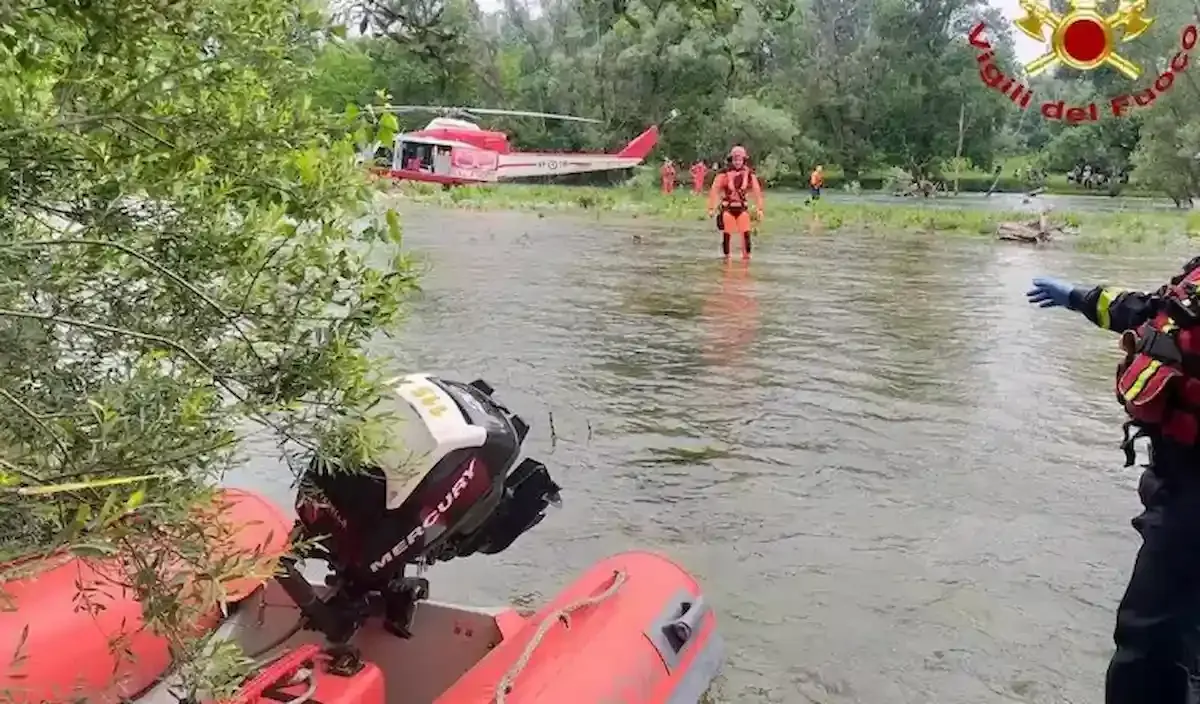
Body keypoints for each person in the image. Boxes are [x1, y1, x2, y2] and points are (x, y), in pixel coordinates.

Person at [1027, 260, 1200, 704]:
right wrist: (1079, 297)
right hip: (1174, 478)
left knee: (1149, 640)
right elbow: (1157, 313)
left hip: (1190, 502)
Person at [707, 146, 764, 260]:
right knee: (727, 234)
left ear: (744, 160)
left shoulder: (749, 174)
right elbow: (714, 190)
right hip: (727, 209)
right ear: (731, 160)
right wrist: (711, 208)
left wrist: (760, 209)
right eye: (735, 160)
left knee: (746, 234)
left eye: (740, 160)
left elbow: (757, 191)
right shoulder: (723, 174)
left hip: (742, 209)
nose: (737, 162)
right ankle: (727, 258)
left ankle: (746, 259)